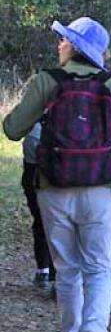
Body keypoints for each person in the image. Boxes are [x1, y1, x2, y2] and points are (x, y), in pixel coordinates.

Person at [3, 17, 111, 332]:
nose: (59, 45)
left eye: (64, 40)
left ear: (75, 47)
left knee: (67, 269)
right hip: (100, 188)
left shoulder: (47, 80)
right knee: (100, 267)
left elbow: (13, 129)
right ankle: (95, 330)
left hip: (54, 187)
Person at [21, 121, 56, 298]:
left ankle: (43, 269)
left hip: (34, 176)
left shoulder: (34, 130)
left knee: (41, 224)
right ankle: (60, 277)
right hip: (60, 177)